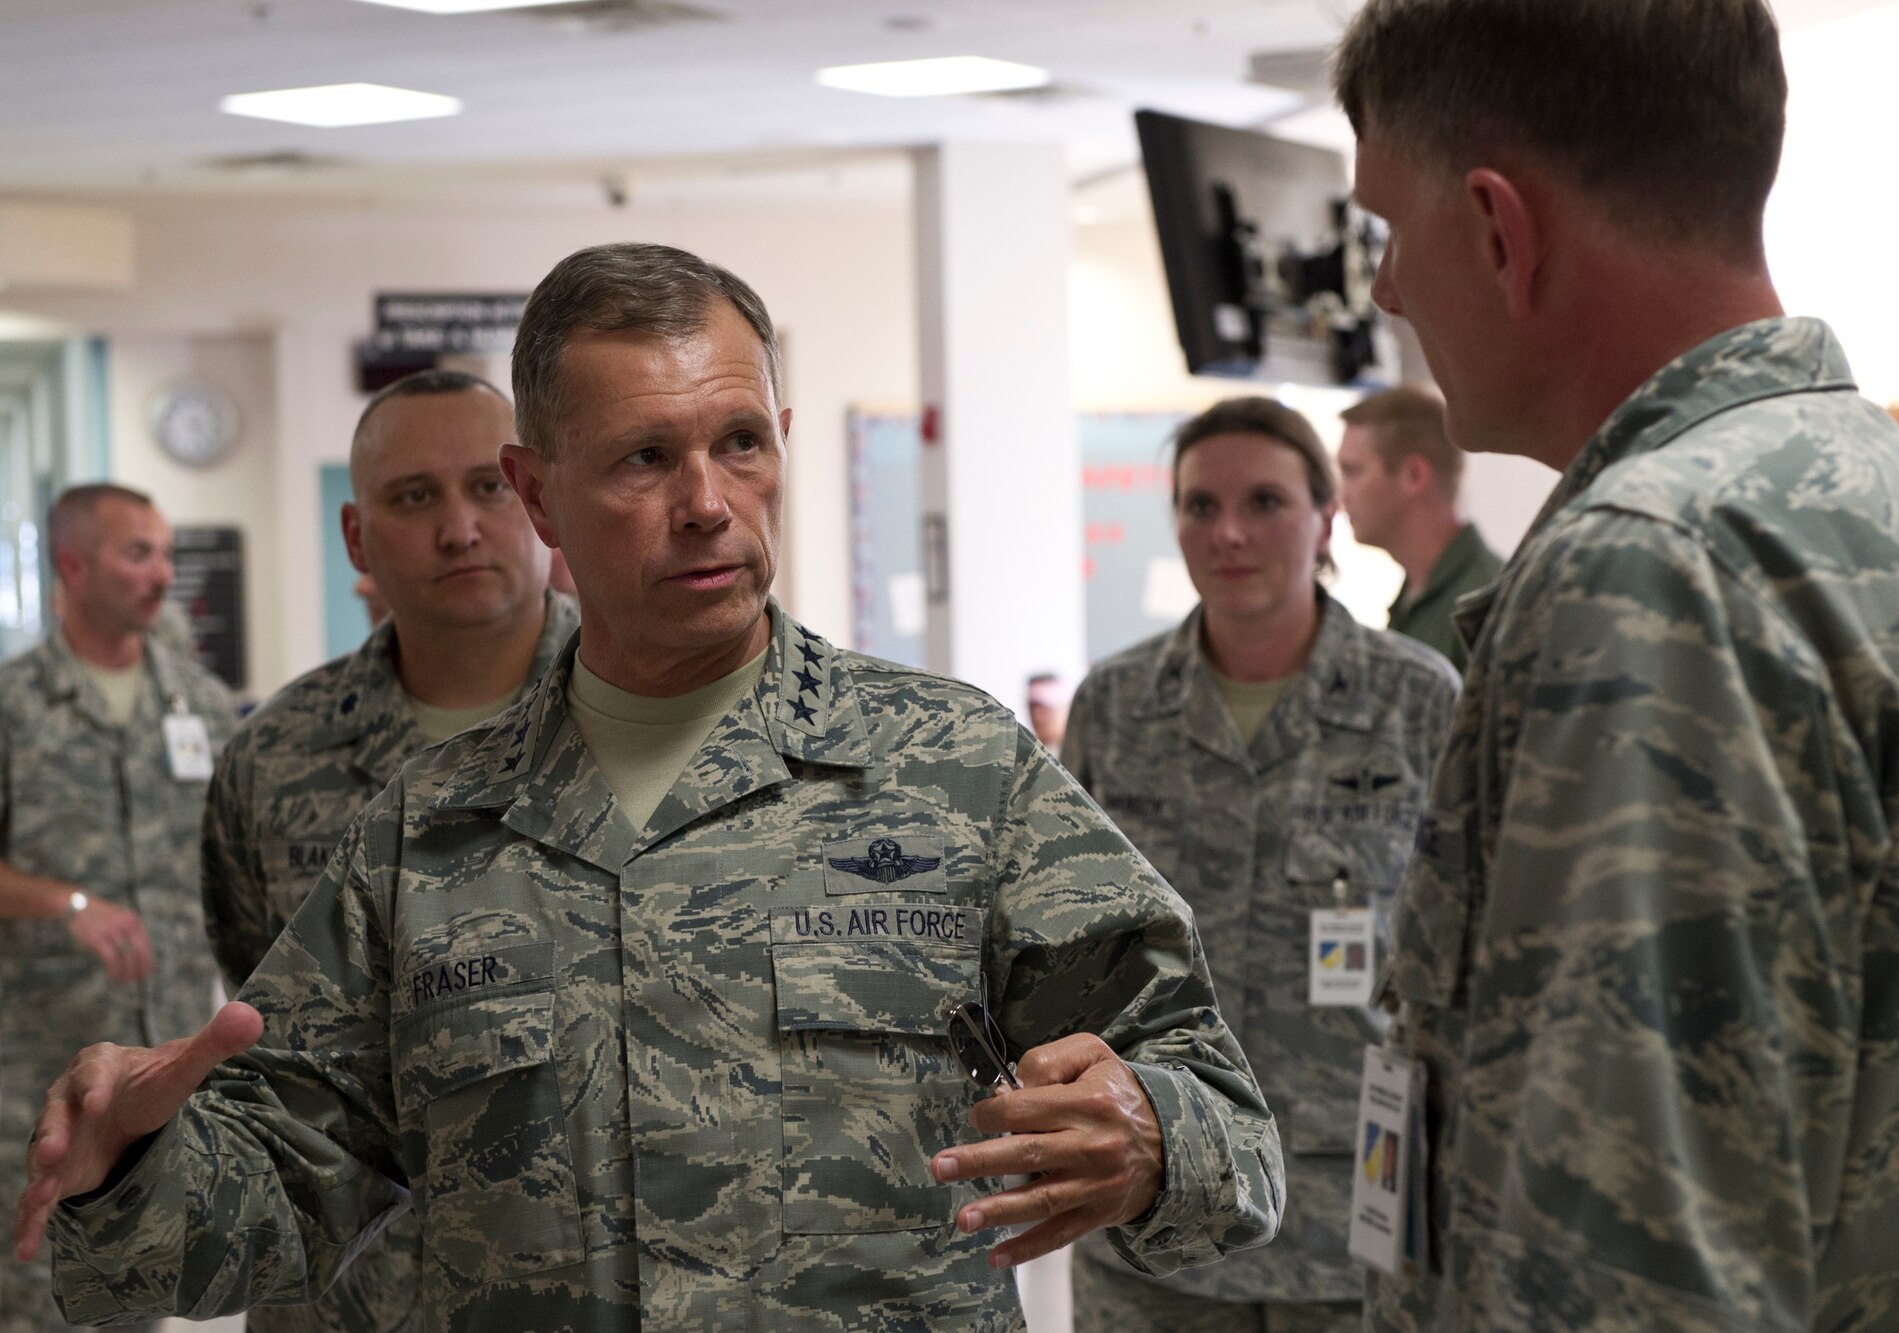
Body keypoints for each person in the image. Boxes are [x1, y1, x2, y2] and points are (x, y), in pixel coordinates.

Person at [16, 243, 1283, 1331]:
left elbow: (1223, 1118)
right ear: (537, 494)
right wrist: (127, 1168)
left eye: (740, 443)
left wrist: (1150, 1135)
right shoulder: (429, 835)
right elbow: (271, 1198)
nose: (706, 504)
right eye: (641, 458)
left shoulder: (954, 768)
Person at [1331, 2, 1899, 1329]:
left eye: (1391, 231)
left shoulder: (1645, 571)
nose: (1389, 290)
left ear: (1500, 230)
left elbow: (1622, 1263)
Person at [1062, 397, 1458, 1332]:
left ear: (1325, 517)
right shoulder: (1115, 707)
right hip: (1154, 1204)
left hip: (1354, 1222)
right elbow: (1060, 944)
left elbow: (1469, 954)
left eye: (1265, 502)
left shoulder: (1416, 700)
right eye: (1201, 505)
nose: (1230, 533)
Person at [201, 369, 579, 1333]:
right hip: (347, 1297)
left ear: (540, 499)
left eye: (489, 487)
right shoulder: (273, 758)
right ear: (357, 537)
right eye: (414, 497)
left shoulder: (646, 719)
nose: (459, 528)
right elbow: (264, 1014)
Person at [0, 484, 238, 1333]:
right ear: (73, 565)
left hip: (160, 1062)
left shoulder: (202, 704)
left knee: (140, 1285)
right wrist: (63, 901)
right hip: (39, 1068)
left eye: (167, 553)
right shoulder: (15, 705)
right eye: (138, 553)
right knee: (36, 1292)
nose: (163, 573)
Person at [1335, 386, 1502, 670]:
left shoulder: (1484, 603)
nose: (1341, 495)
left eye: (1352, 472)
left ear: (1414, 475)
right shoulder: (1416, 597)